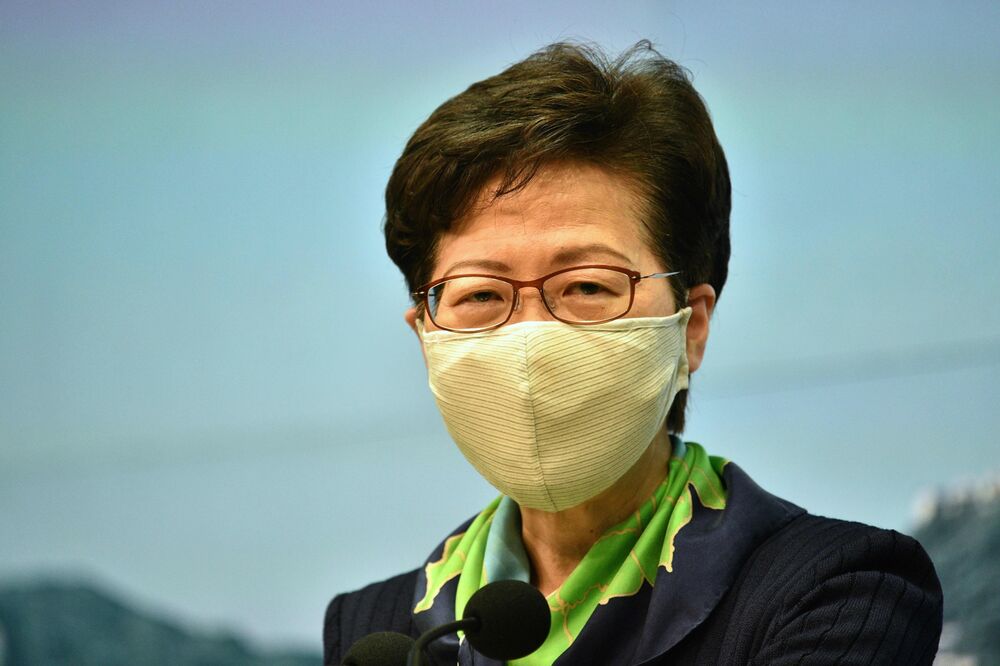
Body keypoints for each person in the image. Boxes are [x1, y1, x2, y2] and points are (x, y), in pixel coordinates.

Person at [323, 41, 942, 665]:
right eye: (481, 294)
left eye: (588, 286)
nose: (531, 339)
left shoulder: (838, 593)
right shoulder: (376, 633)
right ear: (426, 336)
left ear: (690, 326)